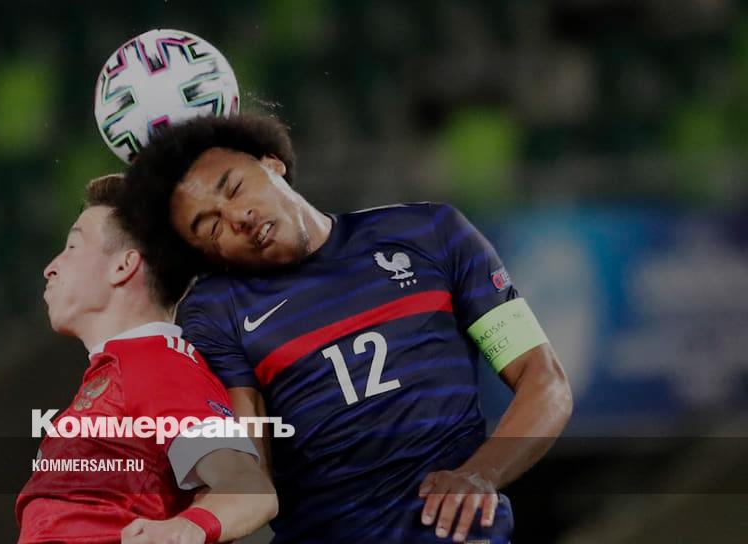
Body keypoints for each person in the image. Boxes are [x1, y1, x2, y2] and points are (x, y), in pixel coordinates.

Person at [115, 115, 574, 543]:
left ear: (272, 164)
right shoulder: (217, 311)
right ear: (209, 257)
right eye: (212, 227)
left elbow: (544, 380)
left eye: (235, 188)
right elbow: (245, 477)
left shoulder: (432, 232)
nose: (238, 218)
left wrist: (482, 474)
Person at [16, 174, 277, 544]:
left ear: (123, 267)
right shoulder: (126, 371)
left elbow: (249, 489)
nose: (51, 267)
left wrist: (183, 530)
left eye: (72, 247)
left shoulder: (159, 366)